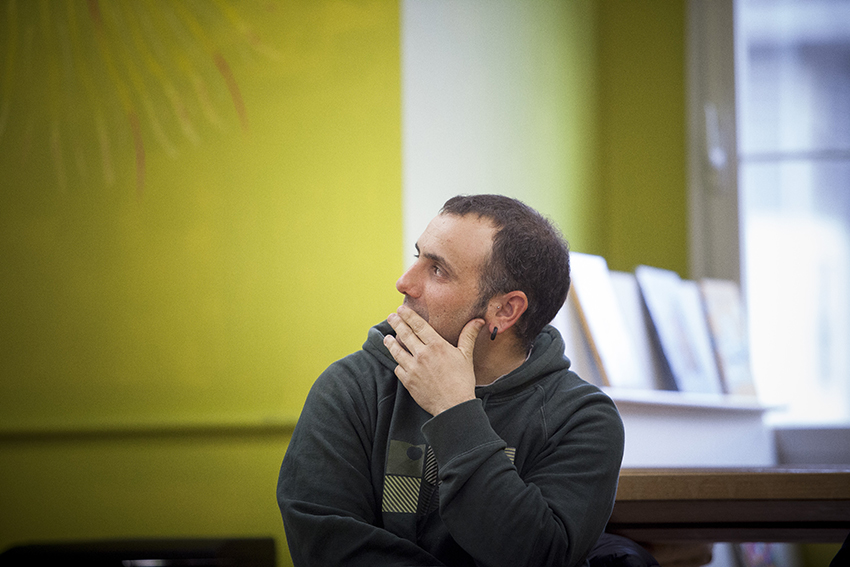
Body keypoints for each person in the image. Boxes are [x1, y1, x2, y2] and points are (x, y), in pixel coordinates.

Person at [277, 194, 625, 567]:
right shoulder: (350, 387)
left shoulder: (583, 419)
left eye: (438, 270)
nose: (404, 283)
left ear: (505, 310)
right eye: (417, 257)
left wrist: (455, 410)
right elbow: (324, 543)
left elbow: (539, 556)